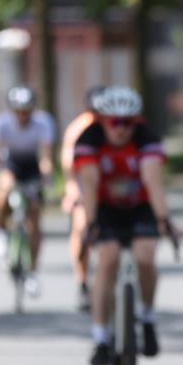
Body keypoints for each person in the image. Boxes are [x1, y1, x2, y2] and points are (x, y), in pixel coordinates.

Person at [73, 86, 176, 365]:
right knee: (107, 260)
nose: (121, 129)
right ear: (102, 120)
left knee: (145, 256)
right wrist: (90, 223)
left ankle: (148, 319)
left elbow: (153, 180)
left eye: (128, 122)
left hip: (140, 206)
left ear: (137, 121)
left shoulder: (147, 136)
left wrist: (163, 218)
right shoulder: (88, 139)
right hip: (105, 208)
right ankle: (100, 338)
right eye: (114, 122)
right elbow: (89, 184)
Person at [0, 85, 56, 296]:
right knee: (3, 192)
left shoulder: (43, 123)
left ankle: (33, 272)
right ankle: (0, 231)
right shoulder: (0, 125)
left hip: (32, 166)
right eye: (19, 111)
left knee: (35, 220)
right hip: (11, 164)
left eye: (27, 111)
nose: (23, 116)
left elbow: (46, 157)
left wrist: (47, 177)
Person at [61, 86, 105, 312]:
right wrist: (71, 190)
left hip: (109, 185)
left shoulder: (118, 126)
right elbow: (70, 165)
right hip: (83, 184)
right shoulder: (79, 129)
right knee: (82, 229)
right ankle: (82, 282)